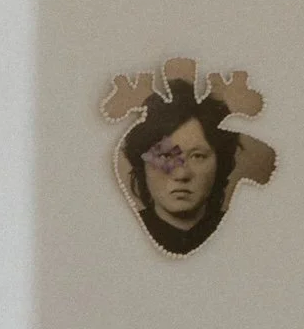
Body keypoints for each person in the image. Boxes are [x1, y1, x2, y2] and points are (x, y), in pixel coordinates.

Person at [118, 78, 276, 255]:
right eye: (165, 156)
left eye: (197, 156)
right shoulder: (120, 236)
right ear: (143, 164)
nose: (181, 173)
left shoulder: (248, 239)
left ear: (220, 163)